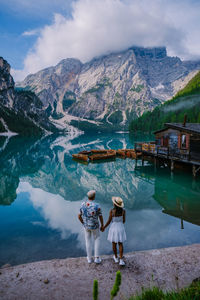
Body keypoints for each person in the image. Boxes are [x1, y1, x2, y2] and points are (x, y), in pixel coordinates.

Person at [78, 190, 104, 264]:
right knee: (97, 239)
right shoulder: (97, 206)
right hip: (95, 226)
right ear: (94, 196)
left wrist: (83, 222)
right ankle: (97, 258)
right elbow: (100, 216)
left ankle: (89, 259)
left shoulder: (83, 204)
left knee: (88, 241)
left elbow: (79, 215)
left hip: (86, 226)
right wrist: (102, 225)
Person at [103, 196, 126, 266]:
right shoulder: (123, 211)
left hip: (113, 228)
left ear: (114, 204)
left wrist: (104, 227)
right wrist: (119, 222)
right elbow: (124, 221)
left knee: (114, 243)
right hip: (120, 227)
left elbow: (109, 221)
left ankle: (116, 257)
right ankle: (121, 260)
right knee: (120, 244)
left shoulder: (112, 211)